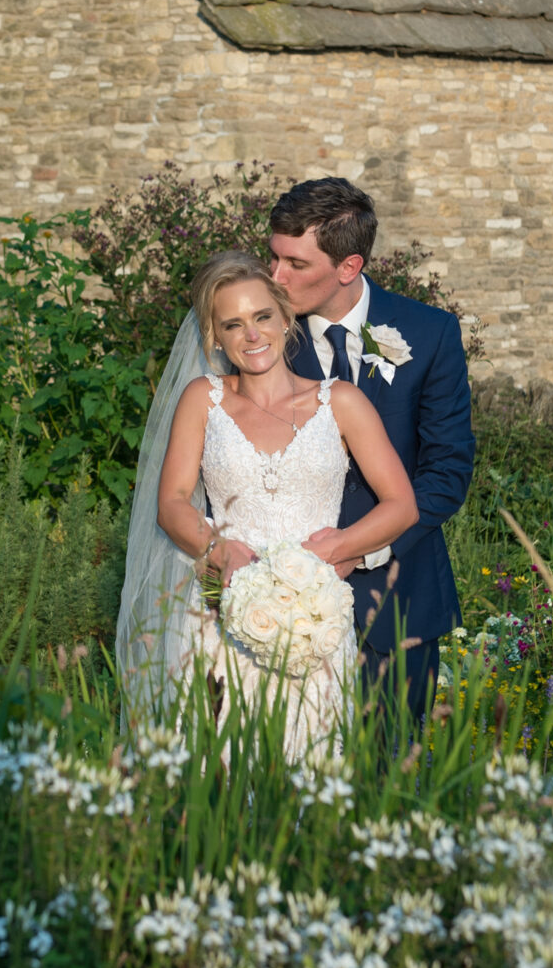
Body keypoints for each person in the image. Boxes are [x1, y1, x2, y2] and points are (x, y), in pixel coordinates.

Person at [115, 251, 416, 756]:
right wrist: (218, 547)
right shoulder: (202, 398)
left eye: (261, 317)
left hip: (312, 622)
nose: (251, 336)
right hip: (217, 619)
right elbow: (171, 503)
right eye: (232, 325)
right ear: (213, 336)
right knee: (219, 774)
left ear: (284, 316)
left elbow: (401, 505)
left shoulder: (339, 401)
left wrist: (337, 547)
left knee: (310, 767)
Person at [266, 179, 474, 726]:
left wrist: (360, 547)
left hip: (401, 601)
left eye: (294, 264)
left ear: (348, 267)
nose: (275, 278)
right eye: (273, 257)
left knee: (390, 784)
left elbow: (447, 470)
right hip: (280, 602)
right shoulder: (259, 336)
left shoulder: (430, 334)